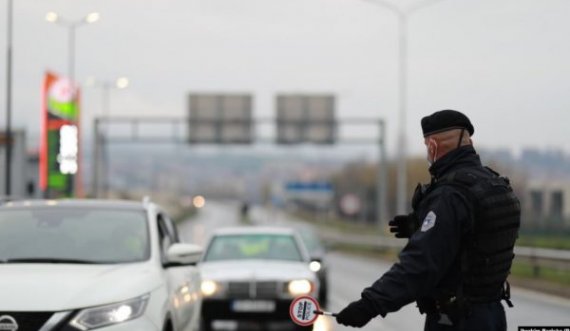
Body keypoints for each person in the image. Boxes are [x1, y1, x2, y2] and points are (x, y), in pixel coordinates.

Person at [335, 110, 521, 331]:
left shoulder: (450, 195)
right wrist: (420, 225)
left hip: (455, 320)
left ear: (433, 146)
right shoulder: (496, 185)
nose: (427, 154)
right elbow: (474, 238)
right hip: (492, 315)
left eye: (426, 147)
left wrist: (369, 305)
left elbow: (420, 265)